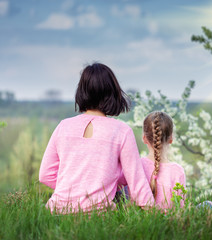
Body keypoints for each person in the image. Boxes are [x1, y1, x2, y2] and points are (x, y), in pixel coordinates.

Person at [39, 63, 154, 213]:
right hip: (98, 213)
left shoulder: (63, 126)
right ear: (113, 92)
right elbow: (137, 183)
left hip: (56, 212)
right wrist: (154, 212)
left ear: (81, 91)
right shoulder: (121, 131)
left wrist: (76, 192)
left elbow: (45, 175)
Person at [139, 111, 186, 210]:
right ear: (171, 139)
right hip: (170, 219)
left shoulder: (137, 165)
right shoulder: (177, 171)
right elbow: (181, 207)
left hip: (139, 216)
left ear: (144, 138)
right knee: (208, 204)